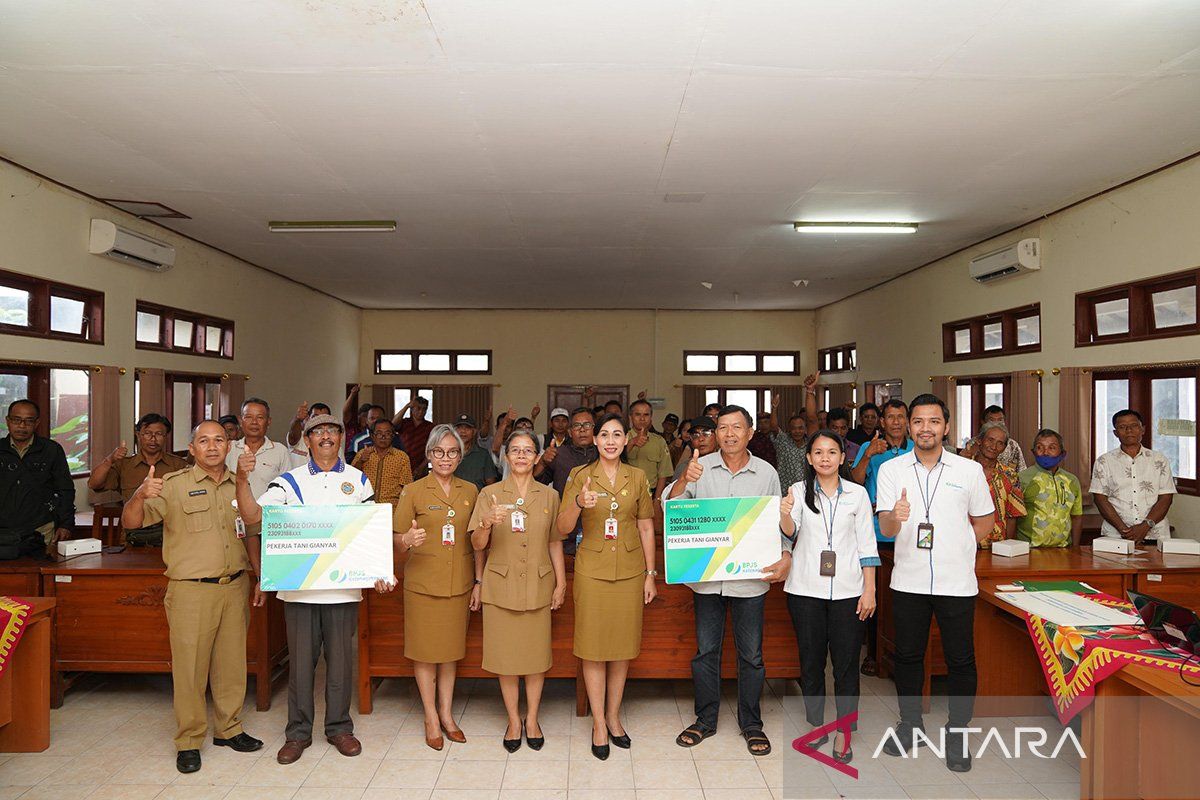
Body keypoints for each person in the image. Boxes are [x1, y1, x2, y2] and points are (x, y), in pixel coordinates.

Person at [236, 413, 394, 765]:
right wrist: (242, 480)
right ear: (306, 441)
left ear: (341, 438)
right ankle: (298, 733)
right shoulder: (287, 482)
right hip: (299, 592)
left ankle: (339, 728)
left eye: (332, 431)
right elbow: (252, 519)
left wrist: (380, 569)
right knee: (302, 666)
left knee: (339, 666)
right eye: (317, 432)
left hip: (344, 591)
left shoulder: (358, 480)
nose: (325, 437)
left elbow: (369, 531)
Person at [121, 420, 263, 774]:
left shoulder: (239, 484)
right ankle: (188, 740)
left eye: (219, 440)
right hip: (191, 590)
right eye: (204, 441)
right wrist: (139, 494)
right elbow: (131, 523)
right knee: (190, 670)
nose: (212, 446)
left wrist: (261, 577)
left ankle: (229, 729)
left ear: (229, 446)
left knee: (231, 666)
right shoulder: (172, 485)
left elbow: (251, 528)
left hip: (234, 585)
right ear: (192, 447)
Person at [875, 394, 995, 772]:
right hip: (908, 579)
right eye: (918, 421)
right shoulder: (893, 470)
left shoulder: (968, 470)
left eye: (933, 421)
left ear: (945, 426)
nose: (925, 428)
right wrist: (895, 516)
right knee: (908, 656)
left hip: (956, 581)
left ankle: (957, 732)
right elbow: (886, 527)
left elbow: (985, 522)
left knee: (961, 659)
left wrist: (958, 549)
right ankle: (910, 725)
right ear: (909, 426)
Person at [666, 406, 792, 758]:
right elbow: (671, 512)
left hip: (750, 580)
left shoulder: (766, 472)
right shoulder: (698, 467)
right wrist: (682, 481)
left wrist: (786, 554)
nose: (730, 433)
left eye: (738, 427)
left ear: (751, 432)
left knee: (751, 656)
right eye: (723, 427)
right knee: (706, 652)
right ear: (714, 433)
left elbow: (775, 520)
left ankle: (751, 723)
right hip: (708, 580)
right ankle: (705, 720)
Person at [557, 413, 657, 760]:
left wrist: (650, 573)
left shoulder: (638, 476)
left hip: (630, 570)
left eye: (617, 434)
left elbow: (646, 527)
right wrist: (577, 503)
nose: (611, 440)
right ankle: (598, 722)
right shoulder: (580, 476)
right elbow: (561, 528)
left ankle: (614, 716)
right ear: (595, 441)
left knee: (622, 646)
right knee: (594, 646)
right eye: (604, 435)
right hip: (592, 568)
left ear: (625, 440)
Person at [781, 430, 878, 764]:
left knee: (846, 665)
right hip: (805, 590)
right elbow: (789, 533)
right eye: (818, 452)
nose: (825, 458)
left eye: (832, 452)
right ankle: (816, 725)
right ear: (809, 458)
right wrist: (783, 513)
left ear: (842, 457)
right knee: (810, 663)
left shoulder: (858, 495)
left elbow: (868, 546)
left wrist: (870, 589)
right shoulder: (797, 491)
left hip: (850, 592)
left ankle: (844, 731)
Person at [469, 430, 566, 752]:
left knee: (536, 658)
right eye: (515, 451)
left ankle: (533, 717)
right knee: (507, 659)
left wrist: (561, 582)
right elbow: (477, 545)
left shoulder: (550, 496)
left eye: (528, 451)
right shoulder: (490, 494)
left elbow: (555, 541)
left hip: (539, 584)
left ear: (538, 457)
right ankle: (513, 719)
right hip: (501, 585)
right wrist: (485, 523)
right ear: (506, 457)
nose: (522, 456)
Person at [393, 425, 483, 750]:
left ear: (461, 455)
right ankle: (430, 716)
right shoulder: (413, 491)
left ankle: (447, 714)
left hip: (459, 582)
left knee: (449, 653)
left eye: (453, 452)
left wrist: (478, 582)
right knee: (425, 653)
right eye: (439, 452)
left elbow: (479, 542)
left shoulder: (471, 491)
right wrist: (406, 540)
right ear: (429, 455)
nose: (446, 458)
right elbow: (396, 539)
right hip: (422, 584)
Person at [848, 398, 911, 677]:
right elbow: (854, 483)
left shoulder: (916, 449)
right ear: (882, 422)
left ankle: (903, 653)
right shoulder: (869, 447)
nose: (896, 422)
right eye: (891, 417)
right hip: (877, 535)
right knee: (877, 596)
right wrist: (868, 455)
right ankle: (873, 653)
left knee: (906, 598)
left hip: (911, 534)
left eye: (901, 416)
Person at [88, 413, 189, 545]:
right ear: (138, 434)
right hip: (133, 535)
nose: (153, 439)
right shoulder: (124, 465)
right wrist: (110, 459)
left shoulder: (178, 465)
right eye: (147, 433)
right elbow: (94, 484)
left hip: (170, 536)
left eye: (159, 434)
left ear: (166, 437)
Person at [0, 399, 74, 558]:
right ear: (8, 421)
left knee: (39, 576)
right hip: (3, 531)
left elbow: (65, 490)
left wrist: (66, 524)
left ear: (37, 423)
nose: (22, 425)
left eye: (28, 421)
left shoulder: (51, 450)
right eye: (16, 420)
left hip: (41, 529)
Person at [1091, 409, 1176, 543]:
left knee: (1156, 565)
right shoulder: (1104, 461)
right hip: (1116, 535)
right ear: (1115, 433)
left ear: (1142, 429)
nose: (1129, 430)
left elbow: (1166, 498)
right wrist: (1124, 530)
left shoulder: (1159, 460)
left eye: (1134, 425)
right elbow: (1100, 498)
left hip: (1154, 535)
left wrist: (1144, 527)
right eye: (1122, 427)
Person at [1017, 429, 1084, 548]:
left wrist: (1075, 548)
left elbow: (1077, 517)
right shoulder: (1021, 478)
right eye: (1039, 448)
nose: (1045, 453)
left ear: (1063, 453)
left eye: (1051, 448)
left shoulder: (1072, 480)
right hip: (1029, 550)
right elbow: (1012, 518)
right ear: (1033, 452)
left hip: (1064, 550)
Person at [966, 422, 1026, 548]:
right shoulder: (961, 470)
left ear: (1004, 448)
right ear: (979, 440)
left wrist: (1006, 547)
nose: (994, 446)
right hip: (963, 544)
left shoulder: (1010, 475)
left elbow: (1012, 516)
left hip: (997, 547)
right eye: (990, 440)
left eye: (1000, 443)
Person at [226, 398, 291, 500]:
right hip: (233, 512)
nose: (254, 422)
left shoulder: (280, 451)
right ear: (240, 421)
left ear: (269, 421)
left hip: (266, 513)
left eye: (260, 417)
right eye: (248, 417)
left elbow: (287, 488)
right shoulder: (229, 448)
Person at [767, 375, 820, 493]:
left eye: (801, 428)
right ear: (789, 430)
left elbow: (812, 419)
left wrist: (810, 391)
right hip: (784, 490)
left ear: (805, 429)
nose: (797, 431)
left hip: (807, 490)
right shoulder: (782, 440)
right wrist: (774, 408)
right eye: (794, 428)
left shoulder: (810, 443)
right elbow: (773, 427)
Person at [351, 418, 413, 507]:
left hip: (392, 509)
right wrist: (361, 461)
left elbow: (407, 488)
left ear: (393, 436)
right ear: (372, 436)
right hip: (365, 508)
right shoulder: (362, 454)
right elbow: (351, 479)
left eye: (387, 433)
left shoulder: (402, 457)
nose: (383, 437)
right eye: (379, 433)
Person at [626, 399, 674, 497]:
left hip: (650, 493)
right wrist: (632, 442)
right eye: (638, 414)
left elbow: (663, 474)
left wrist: (657, 499)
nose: (642, 418)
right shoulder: (621, 438)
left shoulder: (659, 441)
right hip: (625, 493)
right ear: (630, 417)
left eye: (646, 415)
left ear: (651, 417)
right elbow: (614, 460)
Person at [959, 406, 1027, 472]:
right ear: (983, 422)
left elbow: (1021, 470)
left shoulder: (1012, 445)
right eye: (992, 420)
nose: (996, 423)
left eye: (1000, 420)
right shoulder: (974, 442)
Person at [454, 414, 501, 489]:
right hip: (451, 498)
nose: (463, 431)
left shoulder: (483, 454)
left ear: (474, 431)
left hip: (477, 499)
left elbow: (491, 484)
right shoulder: (449, 454)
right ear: (454, 431)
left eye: (467, 428)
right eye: (459, 428)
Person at [394, 396, 435, 479]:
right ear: (412, 409)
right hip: (401, 465)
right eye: (418, 408)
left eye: (424, 409)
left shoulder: (430, 427)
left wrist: (421, 467)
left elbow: (432, 448)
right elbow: (393, 424)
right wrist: (407, 406)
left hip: (421, 467)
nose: (421, 411)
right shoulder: (405, 423)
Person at [672, 415, 717, 482]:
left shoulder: (728, 464)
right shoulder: (685, 468)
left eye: (706, 433)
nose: (701, 439)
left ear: (717, 435)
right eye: (695, 435)